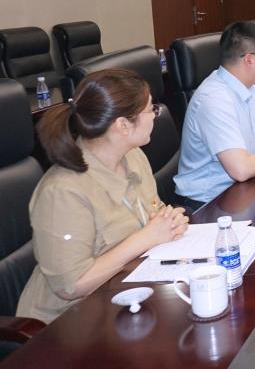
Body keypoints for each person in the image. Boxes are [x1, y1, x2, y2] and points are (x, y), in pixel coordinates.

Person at [18, 69, 189, 323]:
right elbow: (71, 286)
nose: (156, 114)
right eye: (150, 109)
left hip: (126, 293)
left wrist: (169, 222)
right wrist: (146, 238)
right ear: (123, 125)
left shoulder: (132, 156)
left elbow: (153, 211)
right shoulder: (63, 191)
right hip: (69, 322)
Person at [175, 22, 255, 205]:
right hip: (209, 202)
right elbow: (241, 169)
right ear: (249, 60)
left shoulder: (251, 89)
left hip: (244, 190)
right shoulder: (214, 99)